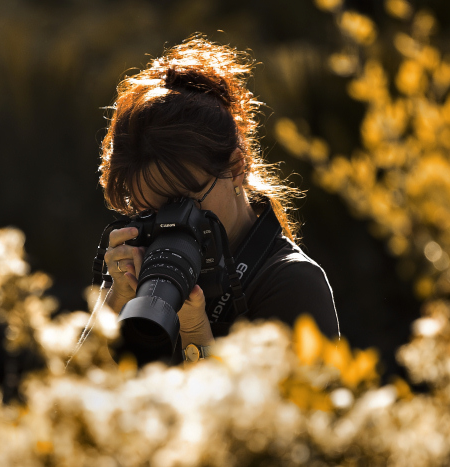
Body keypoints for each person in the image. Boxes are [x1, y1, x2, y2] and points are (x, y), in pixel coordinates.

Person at [97, 36, 339, 365]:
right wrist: (114, 304)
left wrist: (195, 329)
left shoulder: (292, 284)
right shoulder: (144, 281)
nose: (170, 224)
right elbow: (64, 409)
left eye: (183, 203)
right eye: (148, 211)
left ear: (237, 168)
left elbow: (265, 417)